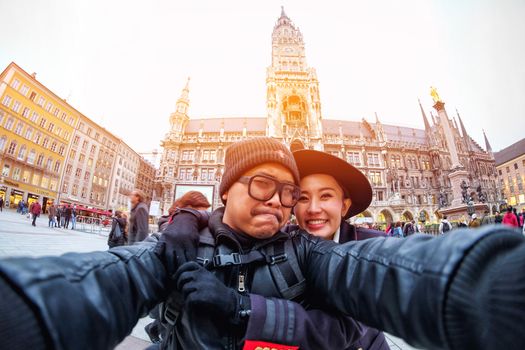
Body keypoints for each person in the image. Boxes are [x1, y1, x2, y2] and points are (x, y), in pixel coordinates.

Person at [2, 138, 525, 350]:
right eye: (261, 185)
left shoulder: (306, 251)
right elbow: (102, 280)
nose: (282, 203)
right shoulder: (179, 248)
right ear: (224, 188)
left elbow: (391, 274)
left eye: (289, 192)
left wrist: (486, 287)